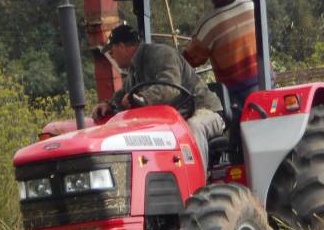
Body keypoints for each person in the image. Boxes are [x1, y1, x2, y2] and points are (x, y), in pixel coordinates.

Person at [91, 23, 224, 172]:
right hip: (177, 119)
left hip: (203, 110)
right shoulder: (134, 69)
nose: (112, 56)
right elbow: (125, 93)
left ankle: (197, 180)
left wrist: (141, 98)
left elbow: (169, 88)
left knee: (192, 128)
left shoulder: (162, 55)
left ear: (121, 46)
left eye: (112, 51)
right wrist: (109, 105)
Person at [183, 0, 259, 108]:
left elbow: (189, 59)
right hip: (265, 81)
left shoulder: (207, 25)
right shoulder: (250, 6)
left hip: (236, 96)